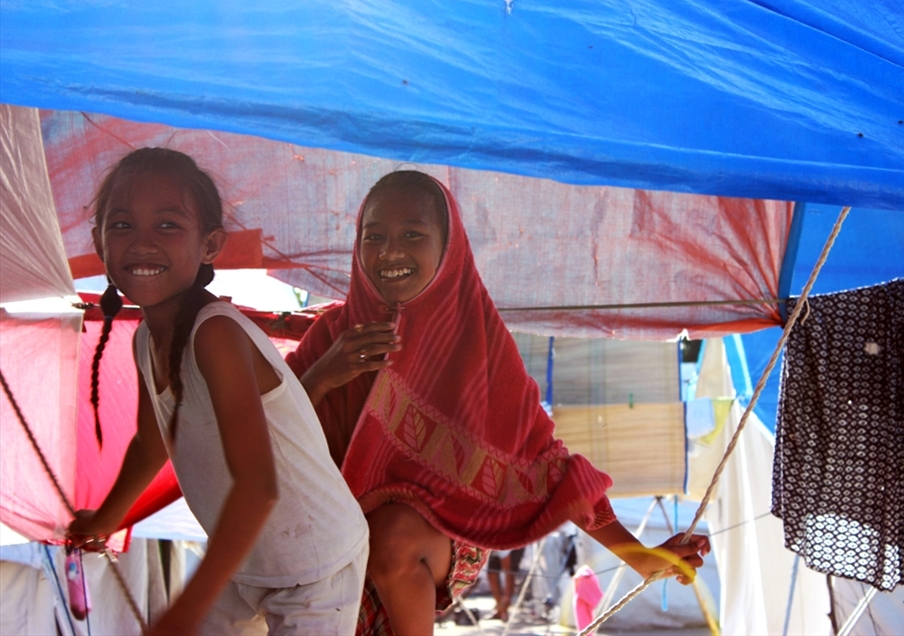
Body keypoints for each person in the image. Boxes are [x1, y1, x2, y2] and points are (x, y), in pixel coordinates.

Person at [286, 170, 711, 636]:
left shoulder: (479, 344)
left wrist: (637, 555)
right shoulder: (331, 338)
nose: (390, 251)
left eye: (412, 234)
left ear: (449, 249)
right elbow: (264, 437)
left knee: (394, 532)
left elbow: (548, 466)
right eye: (375, 236)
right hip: (329, 535)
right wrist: (322, 376)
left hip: (444, 534)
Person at [68, 148, 369, 635]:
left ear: (210, 244)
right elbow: (151, 443)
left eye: (167, 226)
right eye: (121, 226)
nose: (142, 243)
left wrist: (186, 610)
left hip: (317, 562)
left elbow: (259, 487)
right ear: (99, 243)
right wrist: (106, 518)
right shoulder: (146, 337)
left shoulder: (216, 334)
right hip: (245, 555)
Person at [487, 547, 526, 620]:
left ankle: (504, 609)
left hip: (512, 542)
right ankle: (500, 608)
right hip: (495, 542)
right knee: (491, 573)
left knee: (509, 574)